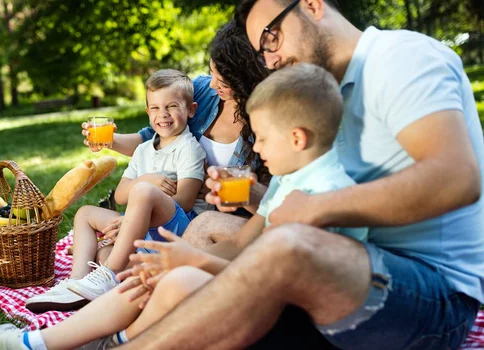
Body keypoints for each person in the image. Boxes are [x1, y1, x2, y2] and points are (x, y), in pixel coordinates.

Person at [116, 0, 484, 349]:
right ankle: (119, 330)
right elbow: (305, 201)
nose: (269, 58)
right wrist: (259, 197)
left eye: (271, 37)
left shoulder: (399, 58)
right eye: (261, 51)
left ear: (311, 5)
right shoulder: (317, 93)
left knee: (284, 244)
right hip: (344, 261)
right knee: (198, 240)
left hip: (432, 296)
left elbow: (455, 178)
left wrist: (313, 209)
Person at [0, 61, 362, 350]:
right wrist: (186, 253)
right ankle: (37, 342)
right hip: (254, 281)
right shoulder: (290, 184)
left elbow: (267, 279)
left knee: (174, 277)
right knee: (161, 273)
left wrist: (193, 260)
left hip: (292, 315)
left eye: (262, 138)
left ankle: (81, 342)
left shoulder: (315, 199)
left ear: (297, 138)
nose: (254, 147)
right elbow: (248, 241)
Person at [23, 69, 207, 313]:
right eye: (155, 108)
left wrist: (143, 191)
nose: (163, 115)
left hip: (177, 231)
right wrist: (148, 180)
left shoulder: (188, 149)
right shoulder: (143, 150)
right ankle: (77, 283)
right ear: (147, 111)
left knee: (142, 192)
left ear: (191, 110)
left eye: (172, 106)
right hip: (144, 232)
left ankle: (108, 274)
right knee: (86, 215)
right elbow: (121, 195)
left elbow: (183, 201)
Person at [84, 21, 272, 249]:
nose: (213, 83)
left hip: (209, 220)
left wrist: (221, 188)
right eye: (212, 71)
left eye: (222, 78)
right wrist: (110, 141)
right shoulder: (203, 91)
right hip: (166, 212)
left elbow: (269, 197)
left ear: (245, 76)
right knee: (103, 243)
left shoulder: (267, 120)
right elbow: (153, 139)